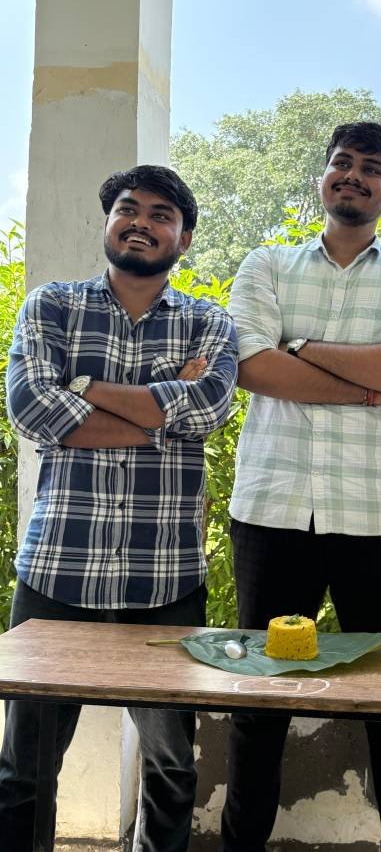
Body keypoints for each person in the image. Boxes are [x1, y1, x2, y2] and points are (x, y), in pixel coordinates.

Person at [220, 122, 381, 852]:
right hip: (272, 513)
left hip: (380, 522)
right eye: (341, 163)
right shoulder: (266, 263)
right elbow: (250, 366)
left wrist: (300, 347)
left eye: (372, 168)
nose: (352, 175)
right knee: (261, 701)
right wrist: (370, 392)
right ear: (322, 177)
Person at [0, 165, 238, 852]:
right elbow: (30, 406)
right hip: (58, 572)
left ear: (183, 239)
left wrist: (83, 388)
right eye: (128, 209)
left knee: (171, 768)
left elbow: (209, 408)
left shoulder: (209, 321)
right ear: (108, 223)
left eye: (162, 214)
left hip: (164, 581)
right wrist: (161, 412)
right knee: (23, 769)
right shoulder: (52, 306)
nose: (141, 222)